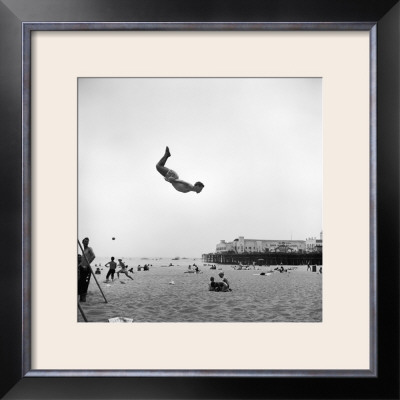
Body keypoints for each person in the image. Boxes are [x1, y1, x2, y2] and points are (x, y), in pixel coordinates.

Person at [78, 237, 95, 302]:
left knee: (85, 283)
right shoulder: (83, 250)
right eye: (85, 241)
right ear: (82, 242)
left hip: (87, 268)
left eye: (87, 241)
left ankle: (83, 299)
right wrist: (78, 266)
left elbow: (93, 256)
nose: (86, 242)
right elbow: (83, 261)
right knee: (80, 283)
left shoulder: (89, 249)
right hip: (82, 267)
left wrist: (87, 264)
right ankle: (81, 298)